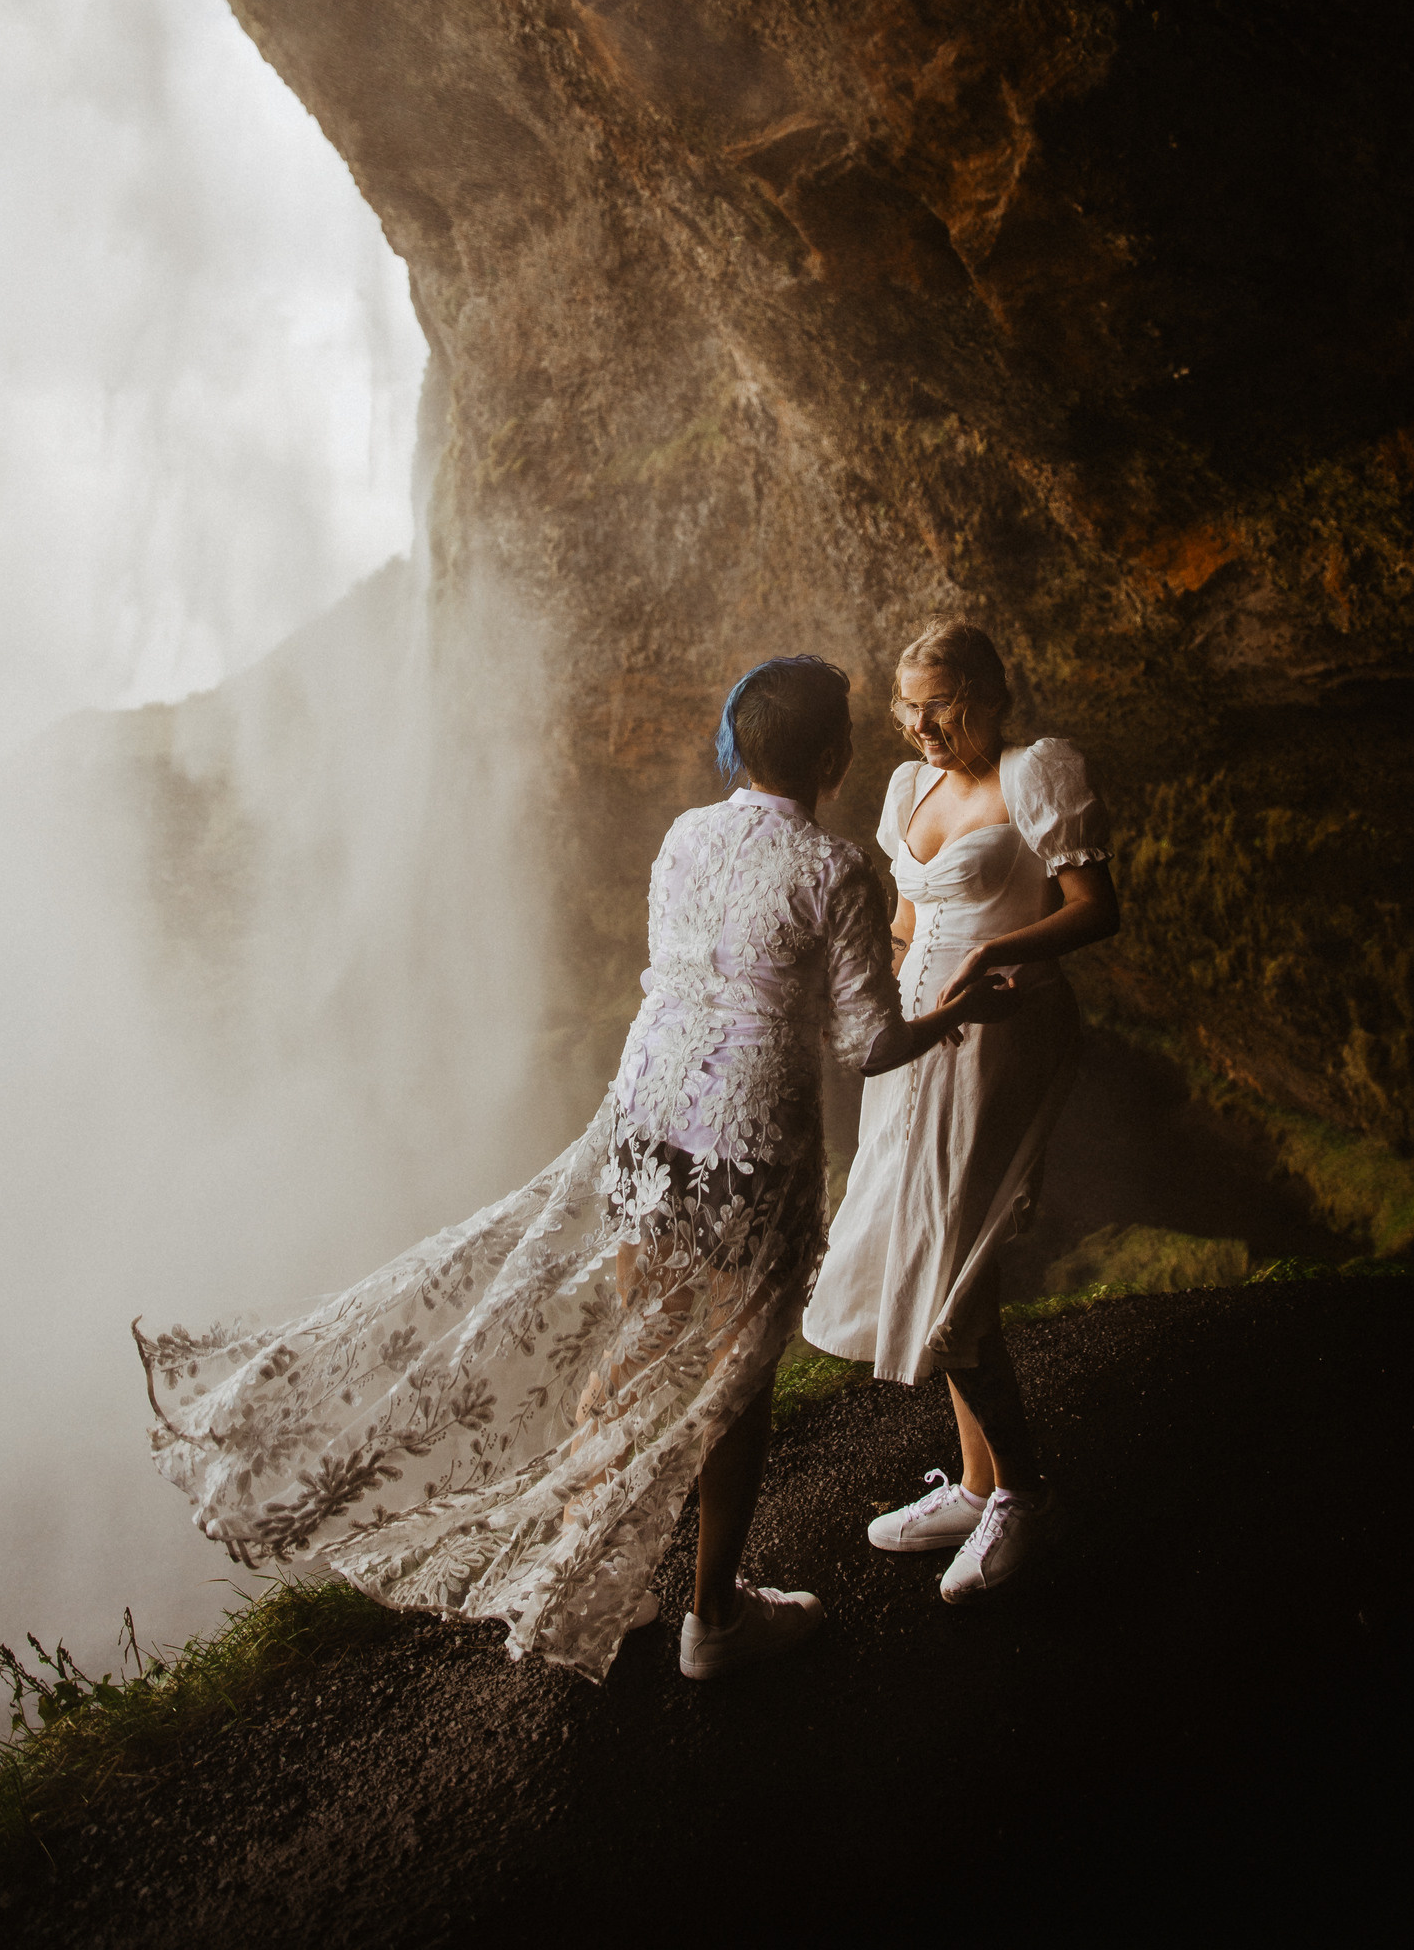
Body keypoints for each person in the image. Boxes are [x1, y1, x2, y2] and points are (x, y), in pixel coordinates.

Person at [136, 654, 1016, 1683]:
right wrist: (958, 1008)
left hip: (644, 1123)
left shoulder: (685, 834)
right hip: (746, 1150)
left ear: (743, 748)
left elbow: (685, 973)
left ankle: (593, 1575)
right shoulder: (834, 868)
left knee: (638, 1338)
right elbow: (867, 1042)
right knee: (736, 1379)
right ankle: (714, 1621)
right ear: (833, 755)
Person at [804, 620, 1118, 1601]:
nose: (921, 726)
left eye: (940, 704)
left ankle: (1023, 1493)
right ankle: (980, 1486)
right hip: (917, 1036)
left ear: (989, 693)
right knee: (921, 1238)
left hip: (1001, 1033)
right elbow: (906, 924)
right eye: (907, 707)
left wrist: (995, 951)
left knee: (951, 1259)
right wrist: (878, 1012)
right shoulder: (909, 788)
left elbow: (1096, 905)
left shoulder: (1036, 773)